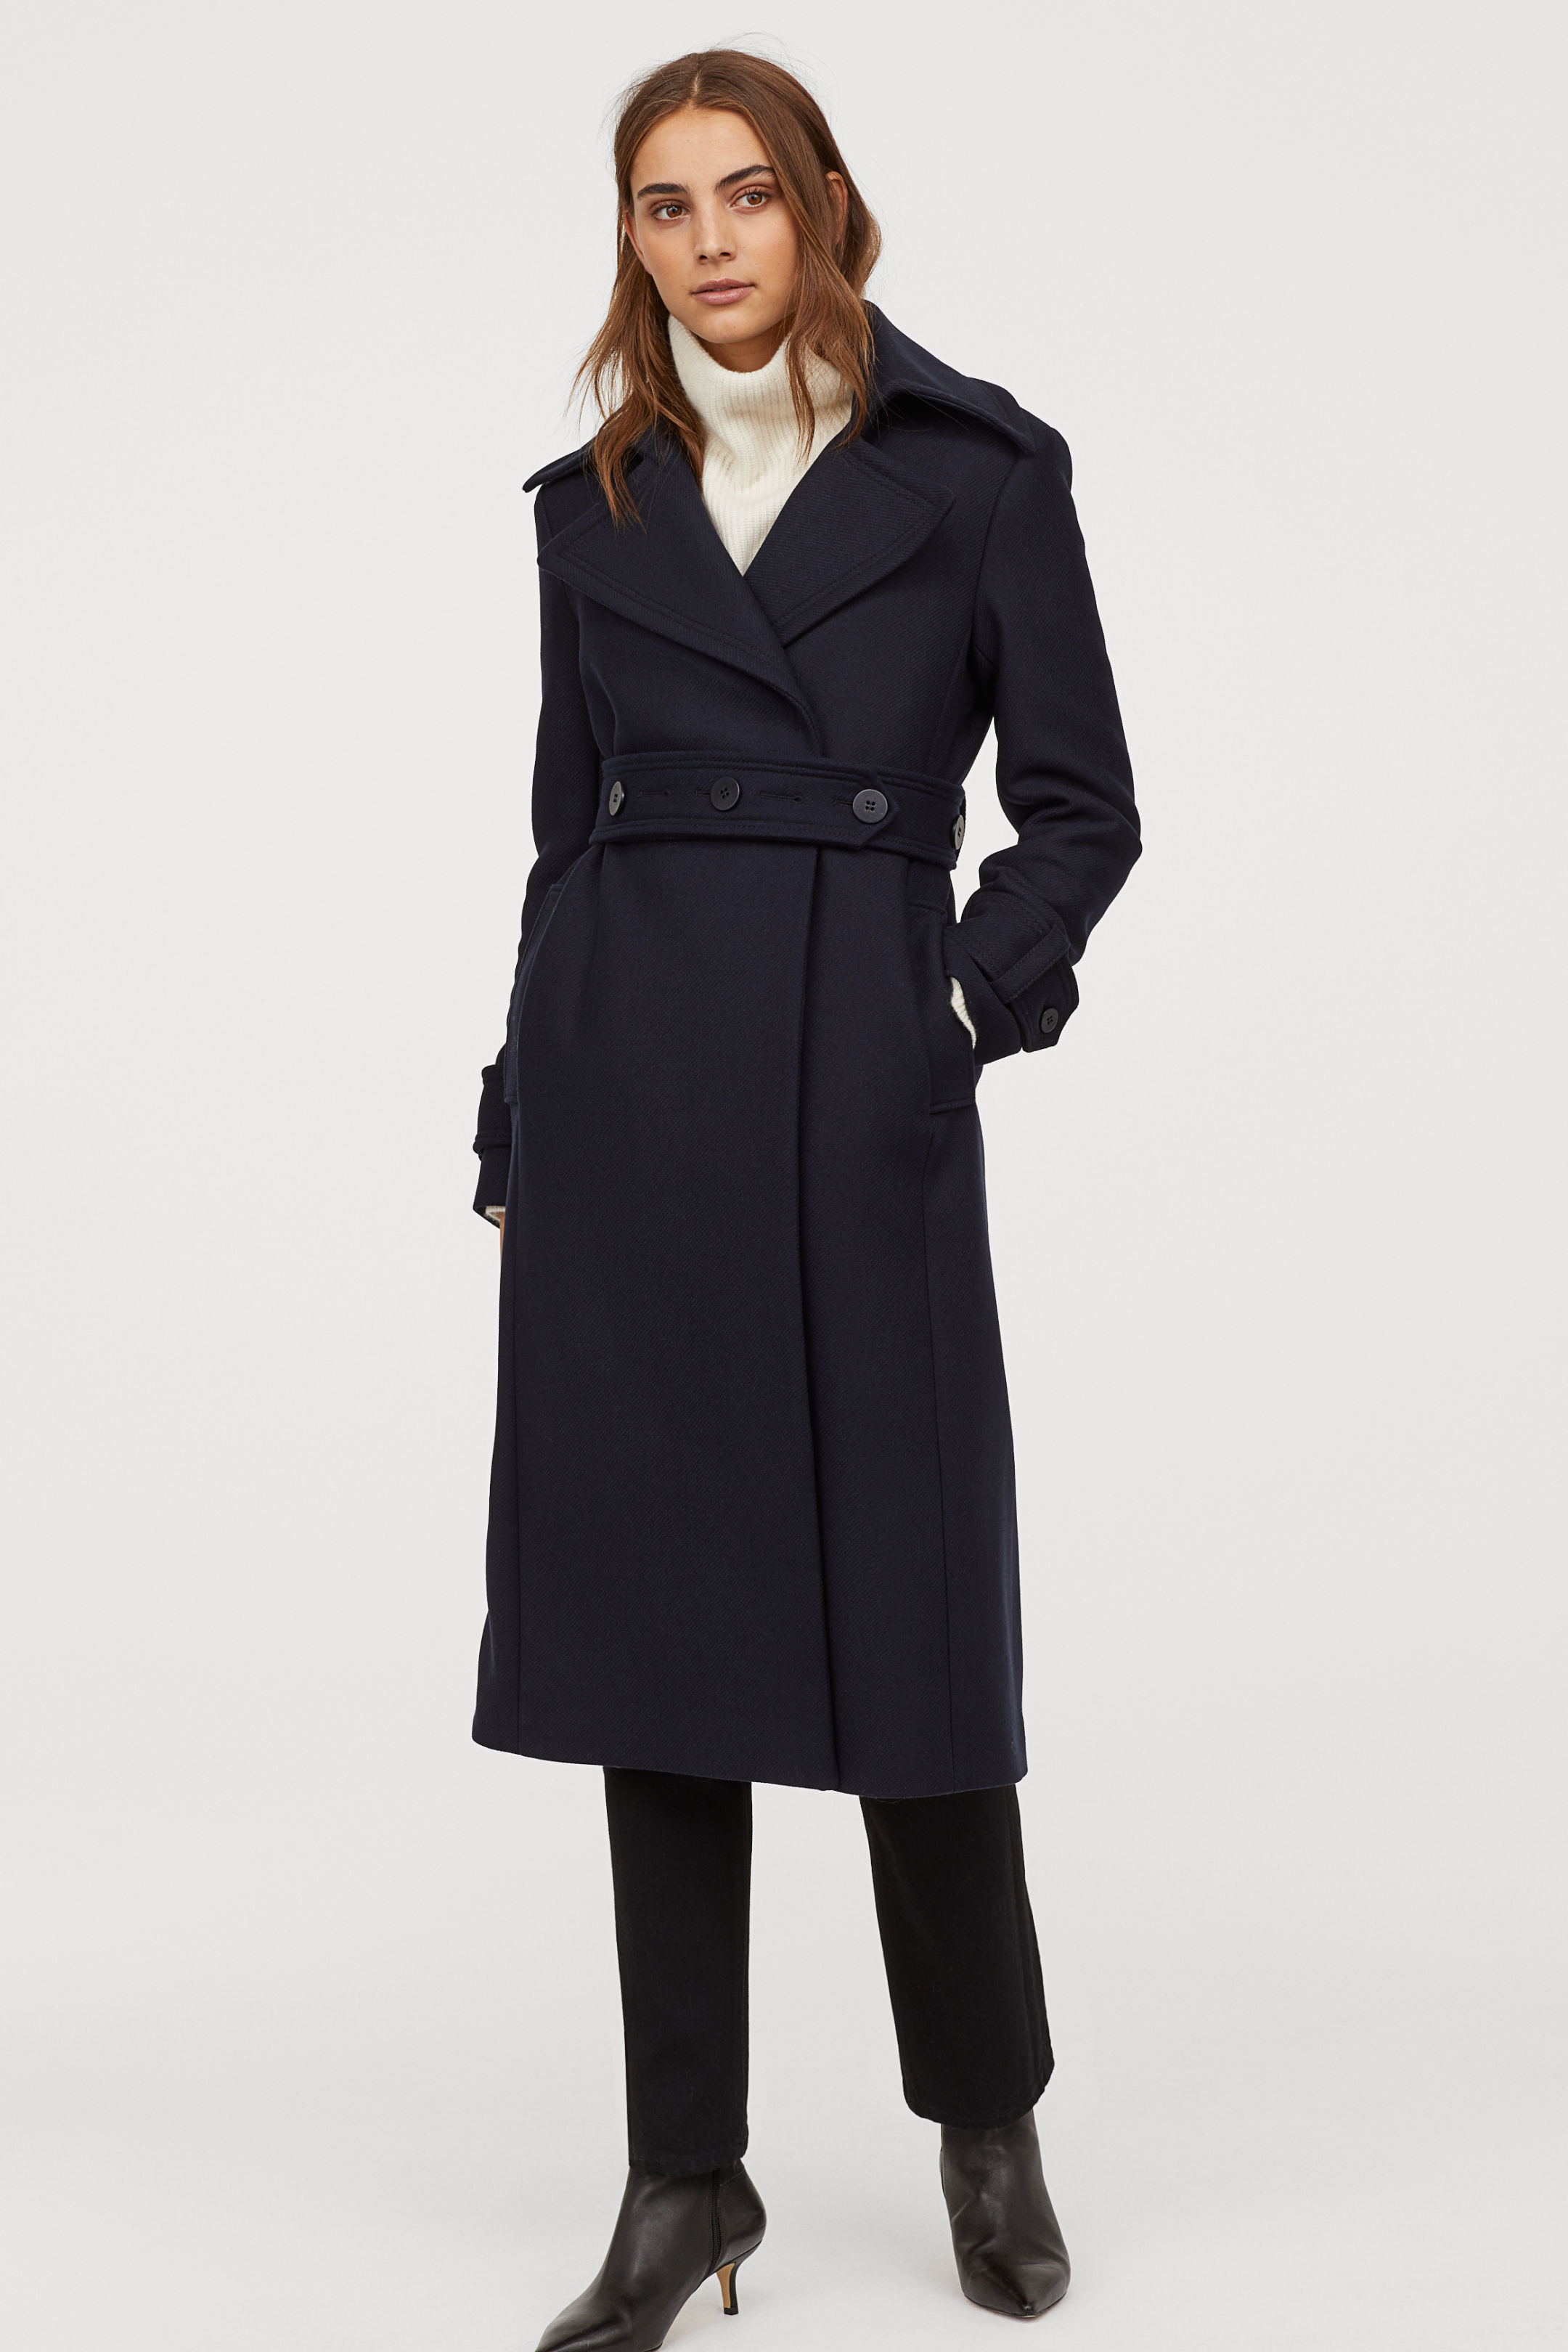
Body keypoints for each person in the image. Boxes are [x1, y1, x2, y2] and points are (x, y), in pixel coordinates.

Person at [469, 48, 1140, 2348]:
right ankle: (687, 2177)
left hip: (859, 1083)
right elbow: (563, 842)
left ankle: (987, 2122)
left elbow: (1081, 809)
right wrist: (518, 1119)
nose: (710, 242)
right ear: (631, 240)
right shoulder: (590, 508)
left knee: (914, 1620)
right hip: (628, 1097)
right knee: (659, 1642)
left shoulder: (977, 473)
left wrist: (951, 1002)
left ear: (827, 205)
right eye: (665, 206)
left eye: (747, 194)